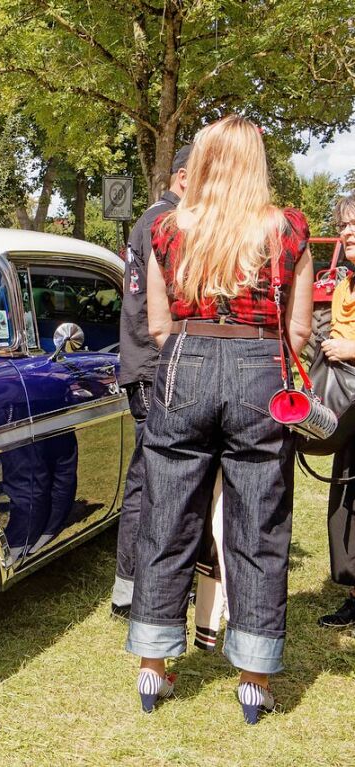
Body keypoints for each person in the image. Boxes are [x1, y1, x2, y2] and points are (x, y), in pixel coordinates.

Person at [126, 115, 313, 724]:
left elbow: (157, 325)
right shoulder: (286, 229)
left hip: (185, 359)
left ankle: (153, 667)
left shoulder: (167, 228)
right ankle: (254, 678)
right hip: (261, 362)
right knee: (260, 519)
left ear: (201, 162)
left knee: (167, 511)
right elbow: (301, 329)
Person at [111, 144, 191, 619]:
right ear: (183, 178)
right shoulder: (167, 222)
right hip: (153, 366)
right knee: (153, 479)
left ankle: (131, 587)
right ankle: (137, 589)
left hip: (143, 362)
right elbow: (161, 307)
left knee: (147, 477)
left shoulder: (148, 220)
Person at [317, 193, 355, 628]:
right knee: (347, 497)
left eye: (353, 225)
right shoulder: (345, 282)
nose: (346, 233)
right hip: (349, 408)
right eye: (343, 225)